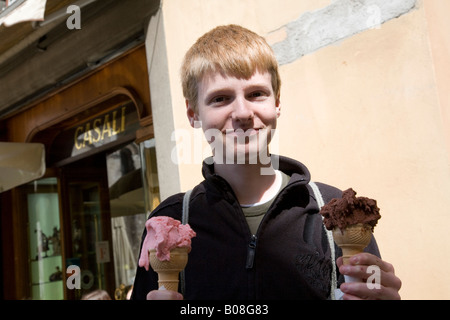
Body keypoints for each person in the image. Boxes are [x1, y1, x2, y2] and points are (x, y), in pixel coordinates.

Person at [131, 24, 402, 300]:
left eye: (256, 94)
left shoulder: (334, 211)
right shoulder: (169, 223)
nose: (242, 112)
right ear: (193, 114)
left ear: (277, 103)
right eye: (220, 98)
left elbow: (369, 290)